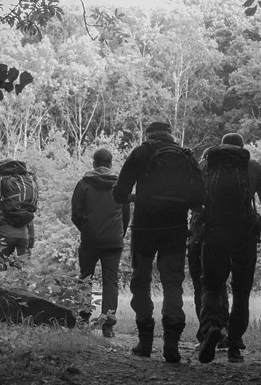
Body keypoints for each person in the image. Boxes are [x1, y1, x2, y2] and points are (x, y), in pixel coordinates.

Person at [112, 120, 205, 363]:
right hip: (175, 229)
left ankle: (145, 342)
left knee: (141, 281)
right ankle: (171, 343)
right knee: (172, 283)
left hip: (144, 228)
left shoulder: (141, 152)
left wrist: (138, 197)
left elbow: (119, 193)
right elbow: (199, 197)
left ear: (148, 135)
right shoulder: (185, 155)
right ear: (170, 135)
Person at [195, 133, 261, 364]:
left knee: (211, 286)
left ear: (221, 145)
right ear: (242, 148)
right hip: (244, 236)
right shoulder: (253, 168)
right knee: (242, 291)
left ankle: (211, 328)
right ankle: (235, 347)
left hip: (214, 233)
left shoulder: (206, 165)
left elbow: (193, 202)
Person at [71, 147, 130, 338]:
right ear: (111, 164)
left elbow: (76, 214)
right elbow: (126, 216)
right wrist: (118, 233)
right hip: (114, 240)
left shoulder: (84, 184)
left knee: (85, 277)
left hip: (90, 239)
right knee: (110, 282)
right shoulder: (121, 185)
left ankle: (83, 319)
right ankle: (108, 325)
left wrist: (87, 230)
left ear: (94, 163)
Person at [0, 158, 37, 261]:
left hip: (3, 234)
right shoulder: (23, 187)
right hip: (23, 235)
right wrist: (30, 241)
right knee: (20, 272)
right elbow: (28, 214)